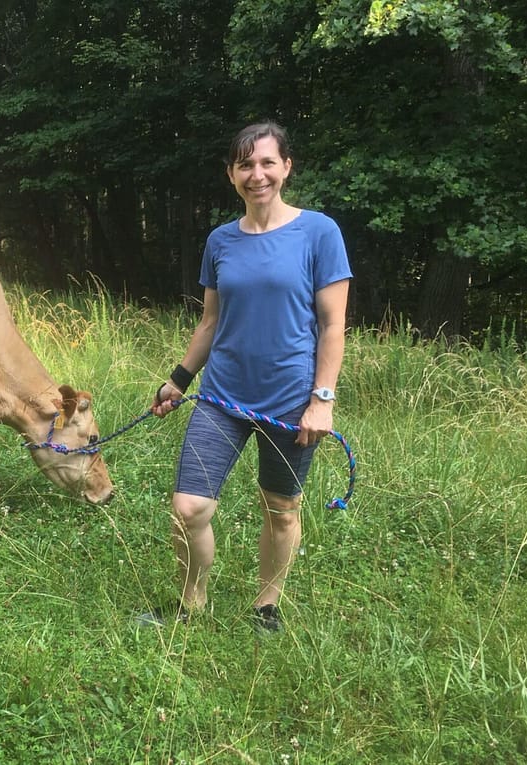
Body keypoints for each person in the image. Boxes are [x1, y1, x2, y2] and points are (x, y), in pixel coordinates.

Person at [145, 121, 352, 634]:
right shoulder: (220, 241)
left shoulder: (319, 232)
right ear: (231, 174)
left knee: (281, 509)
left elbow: (333, 325)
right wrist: (179, 379)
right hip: (222, 398)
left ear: (286, 167)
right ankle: (191, 603)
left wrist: (322, 400)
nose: (256, 174)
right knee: (189, 507)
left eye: (266, 163)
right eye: (245, 165)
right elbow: (210, 322)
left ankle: (266, 606)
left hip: (291, 401)